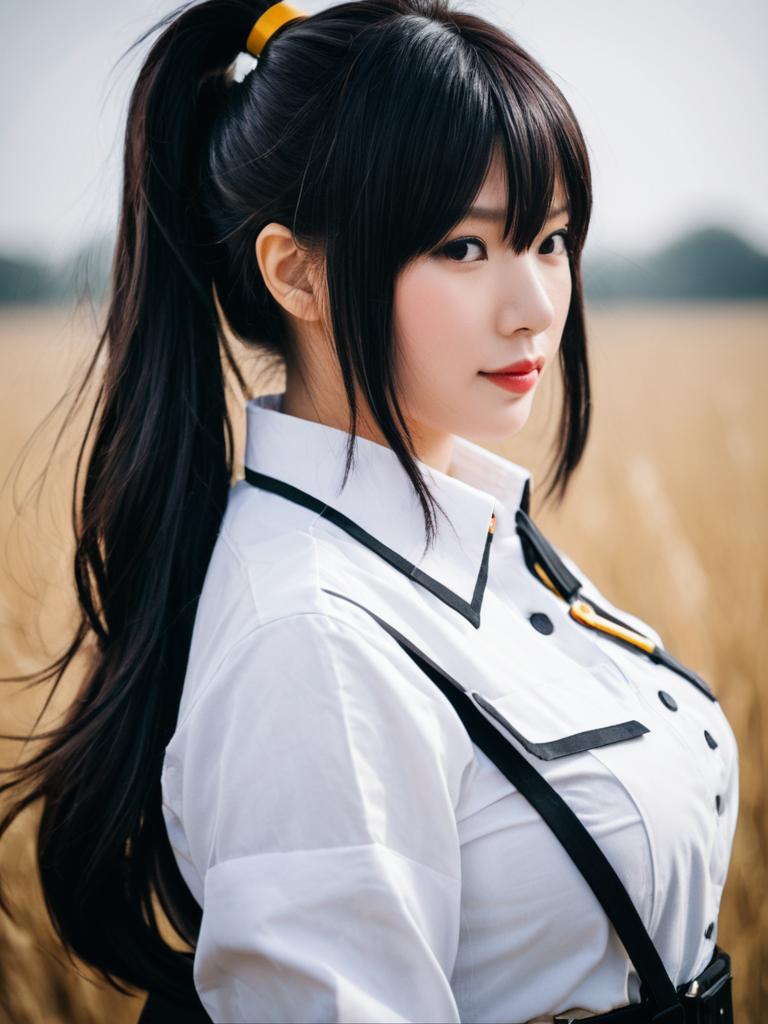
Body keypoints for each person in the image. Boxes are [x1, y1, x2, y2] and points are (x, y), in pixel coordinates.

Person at [0, 1, 739, 1022]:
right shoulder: (311, 643)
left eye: (551, 238)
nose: (534, 304)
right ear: (295, 272)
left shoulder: (469, 534)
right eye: (464, 248)